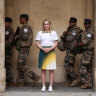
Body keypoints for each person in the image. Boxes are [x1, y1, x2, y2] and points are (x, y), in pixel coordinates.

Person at [15, 14, 40, 87]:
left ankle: (35, 77)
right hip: (22, 48)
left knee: (21, 64)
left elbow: (25, 36)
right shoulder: (23, 27)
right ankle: (20, 82)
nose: (19, 20)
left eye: (20, 18)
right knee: (19, 65)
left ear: (24, 19)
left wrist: (18, 36)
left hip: (24, 48)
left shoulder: (25, 27)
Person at [36, 19, 58, 91]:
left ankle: (50, 86)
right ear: (43, 25)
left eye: (47, 24)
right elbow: (37, 43)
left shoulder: (53, 33)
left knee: (51, 69)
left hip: (51, 51)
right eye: (45, 24)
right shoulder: (40, 33)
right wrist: (43, 49)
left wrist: (49, 49)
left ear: (50, 25)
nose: (46, 25)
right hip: (43, 51)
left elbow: (56, 43)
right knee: (43, 69)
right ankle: (43, 86)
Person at [60, 17, 83, 87]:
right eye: (70, 22)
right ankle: (70, 80)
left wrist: (64, 35)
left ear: (75, 23)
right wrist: (64, 35)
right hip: (70, 49)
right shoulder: (70, 29)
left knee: (66, 64)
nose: (70, 23)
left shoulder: (76, 30)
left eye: (72, 22)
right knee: (70, 64)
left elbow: (69, 38)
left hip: (73, 50)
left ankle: (75, 78)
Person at [76, 19, 94, 88]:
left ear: (90, 24)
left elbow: (86, 41)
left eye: (87, 23)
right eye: (85, 23)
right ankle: (89, 82)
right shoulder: (85, 31)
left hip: (88, 52)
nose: (86, 25)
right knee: (89, 68)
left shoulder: (90, 31)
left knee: (82, 66)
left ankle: (87, 82)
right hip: (86, 51)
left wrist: (78, 44)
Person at [5, 17, 14, 86]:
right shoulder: (4, 28)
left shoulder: (10, 30)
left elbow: (10, 40)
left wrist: (3, 45)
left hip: (7, 50)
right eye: (6, 22)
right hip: (4, 49)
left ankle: (9, 81)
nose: (7, 24)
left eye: (8, 22)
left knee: (7, 65)